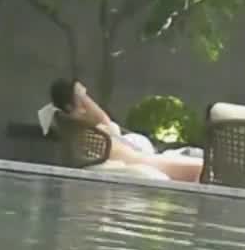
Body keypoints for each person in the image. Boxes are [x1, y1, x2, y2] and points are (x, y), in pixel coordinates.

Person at [49, 78, 203, 184]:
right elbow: (101, 117)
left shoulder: (81, 123)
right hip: (140, 160)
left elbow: (104, 119)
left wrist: (80, 96)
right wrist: (81, 96)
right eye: (83, 99)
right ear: (71, 106)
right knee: (201, 169)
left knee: (198, 164)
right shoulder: (81, 121)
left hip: (140, 157)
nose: (88, 101)